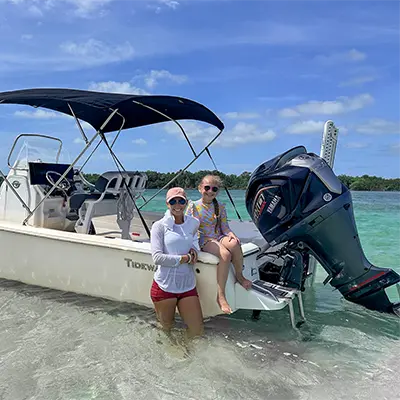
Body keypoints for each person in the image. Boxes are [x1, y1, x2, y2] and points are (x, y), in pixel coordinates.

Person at [186, 174, 252, 314]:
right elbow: (188, 228)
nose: (210, 191)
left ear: (217, 191)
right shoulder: (193, 207)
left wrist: (231, 234)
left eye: (214, 189)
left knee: (234, 244)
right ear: (200, 188)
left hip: (218, 236)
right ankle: (220, 296)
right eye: (207, 187)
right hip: (204, 239)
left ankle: (239, 275)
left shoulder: (220, 207)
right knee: (225, 254)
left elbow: (225, 227)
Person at [150, 187, 204, 338]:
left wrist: (194, 250)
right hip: (164, 287)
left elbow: (193, 242)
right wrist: (184, 259)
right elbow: (157, 258)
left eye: (181, 200)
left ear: (186, 202)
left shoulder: (193, 223)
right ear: (167, 204)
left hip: (188, 286)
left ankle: (190, 358)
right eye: (173, 201)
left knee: (197, 331)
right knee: (166, 330)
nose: (177, 204)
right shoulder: (159, 226)